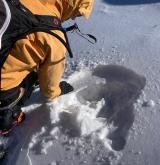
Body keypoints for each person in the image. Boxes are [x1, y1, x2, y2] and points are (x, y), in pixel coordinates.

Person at [0, 0, 94, 135]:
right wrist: (58, 91)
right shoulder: (52, 36)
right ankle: (7, 119)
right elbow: (49, 90)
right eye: (76, 14)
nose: (73, 17)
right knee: (24, 87)